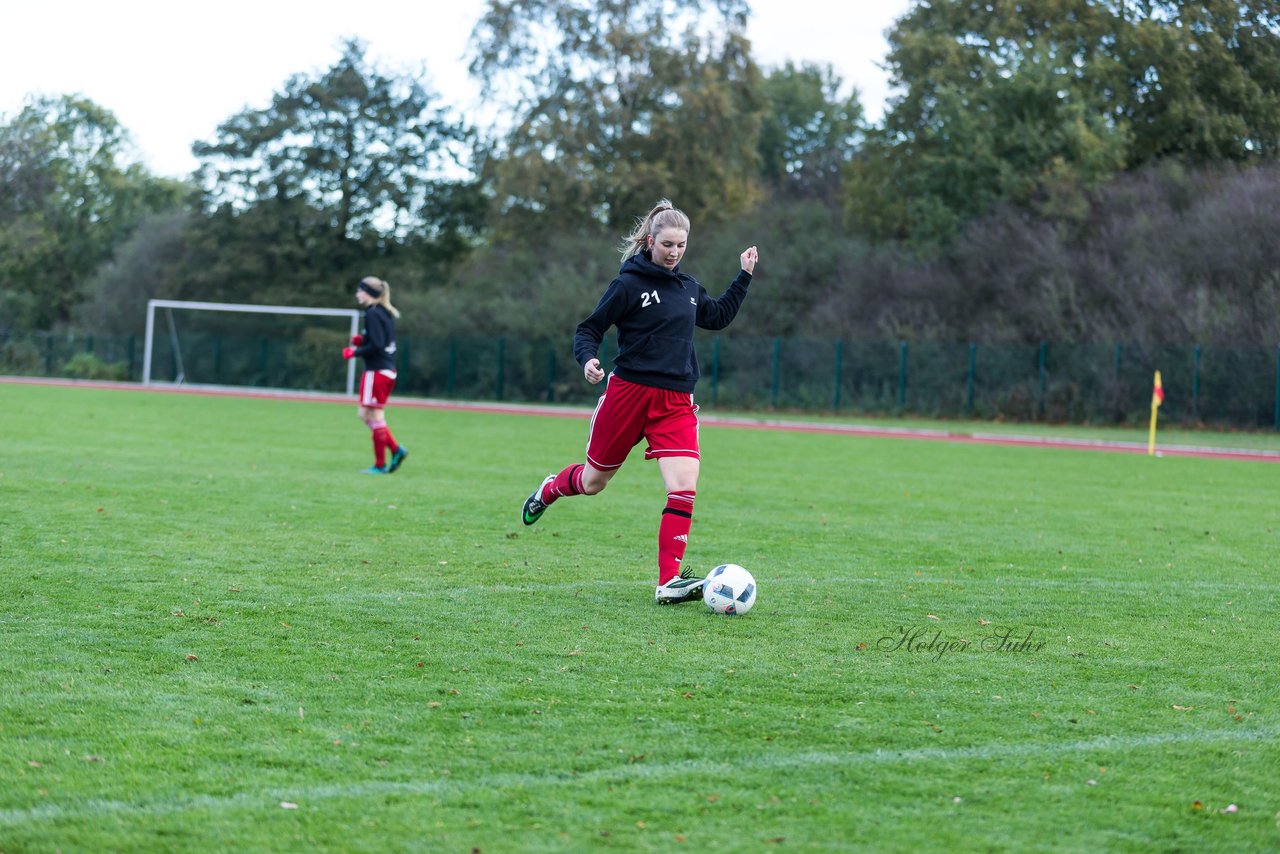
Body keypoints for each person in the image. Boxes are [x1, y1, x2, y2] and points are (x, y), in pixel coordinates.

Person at [520, 199, 758, 603]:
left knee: (684, 486)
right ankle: (550, 489)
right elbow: (588, 329)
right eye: (668, 244)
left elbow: (717, 317)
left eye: (682, 245)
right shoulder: (627, 285)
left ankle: (668, 582)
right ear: (650, 241)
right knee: (593, 483)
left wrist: (744, 276)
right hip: (628, 395)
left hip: (676, 400)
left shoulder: (689, 289)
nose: (675, 252)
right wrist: (588, 360)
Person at [342, 276, 408, 475]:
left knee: (375, 415)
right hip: (384, 370)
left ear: (367, 293)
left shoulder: (372, 313)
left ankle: (381, 464)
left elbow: (377, 346)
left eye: (359, 290)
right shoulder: (382, 312)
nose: (357, 294)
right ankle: (396, 450)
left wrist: (354, 352)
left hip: (377, 370)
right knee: (364, 414)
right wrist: (361, 340)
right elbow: (379, 340)